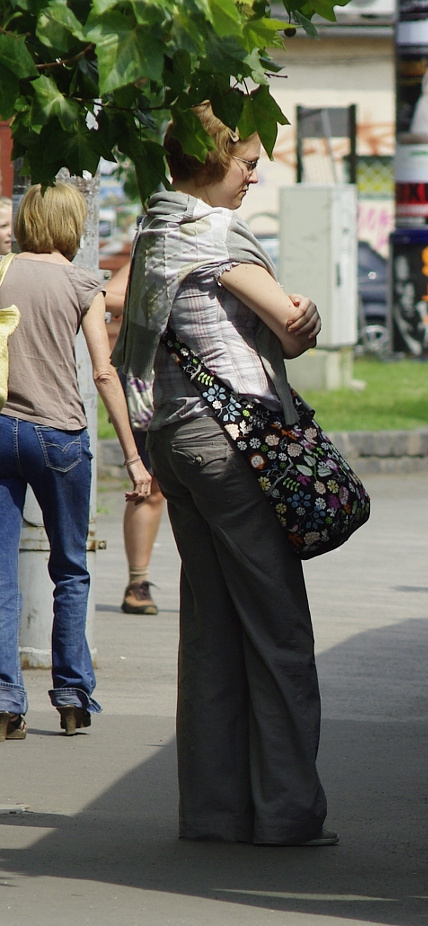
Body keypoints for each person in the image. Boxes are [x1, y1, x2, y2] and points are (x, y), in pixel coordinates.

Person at [112, 102, 338, 846]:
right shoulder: (212, 231)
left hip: (176, 438)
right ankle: (287, 813)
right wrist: (303, 317)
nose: (255, 172)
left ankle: (212, 811)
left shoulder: (154, 229)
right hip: (235, 441)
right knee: (277, 632)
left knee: (209, 631)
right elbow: (289, 324)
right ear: (214, 164)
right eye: (246, 162)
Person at [0, 182, 152, 741]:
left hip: (0, 430)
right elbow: (103, 371)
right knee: (69, 567)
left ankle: (3, 702)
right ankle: (70, 696)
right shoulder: (82, 281)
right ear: (72, 225)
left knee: (0, 576)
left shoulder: (0, 270)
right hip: (59, 436)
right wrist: (133, 456)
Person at [105, 259, 166, 615]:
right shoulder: (153, 247)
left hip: (209, 385)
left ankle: (218, 587)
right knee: (151, 488)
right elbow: (106, 295)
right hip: (150, 385)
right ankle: (137, 582)